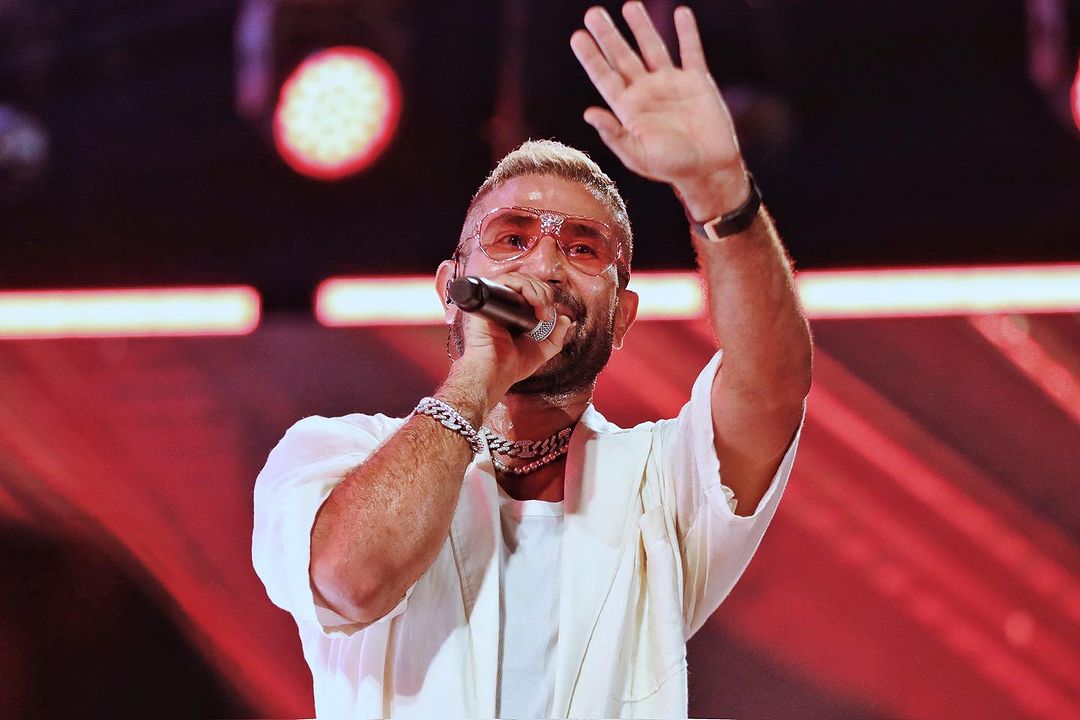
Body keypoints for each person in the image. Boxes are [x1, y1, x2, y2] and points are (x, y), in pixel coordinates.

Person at [252, 3, 812, 718]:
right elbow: (353, 580)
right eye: (511, 239)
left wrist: (720, 189)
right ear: (451, 290)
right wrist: (477, 380)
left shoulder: (661, 485)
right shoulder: (331, 455)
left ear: (623, 317)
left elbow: (771, 389)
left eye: (582, 249)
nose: (544, 266)